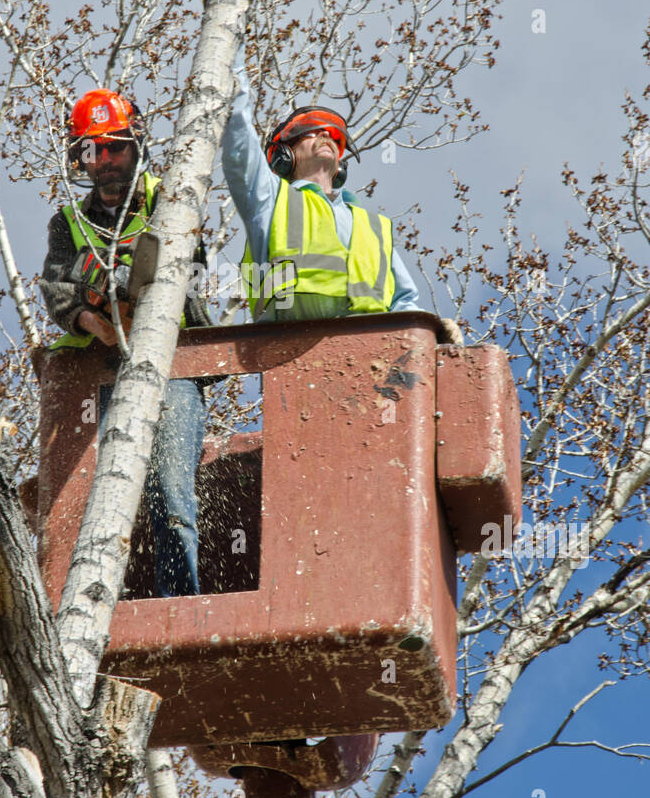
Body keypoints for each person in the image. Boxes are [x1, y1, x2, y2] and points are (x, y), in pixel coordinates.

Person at [39, 87, 210, 598]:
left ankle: (178, 605)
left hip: (170, 361)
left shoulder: (169, 197)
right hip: (96, 371)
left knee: (170, 497)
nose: (105, 160)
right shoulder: (68, 223)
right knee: (86, 510)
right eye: (93, 150)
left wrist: (137, 298)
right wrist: (99, 322)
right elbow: (54, 287)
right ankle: (86, 614)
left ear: (134, 147)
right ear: (80, 157)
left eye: (115, 146)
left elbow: (188, 261)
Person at [222, 58, 428, 324]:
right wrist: (232, 51)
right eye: (310, 131)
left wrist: (431, 333)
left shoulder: (373, 227)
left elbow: (404, 304)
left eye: (333, 135)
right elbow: (239, 141)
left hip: (367, 355)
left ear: (340, 166)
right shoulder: (272, 200)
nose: (326, 136)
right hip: (282, 350)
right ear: (284, 154)